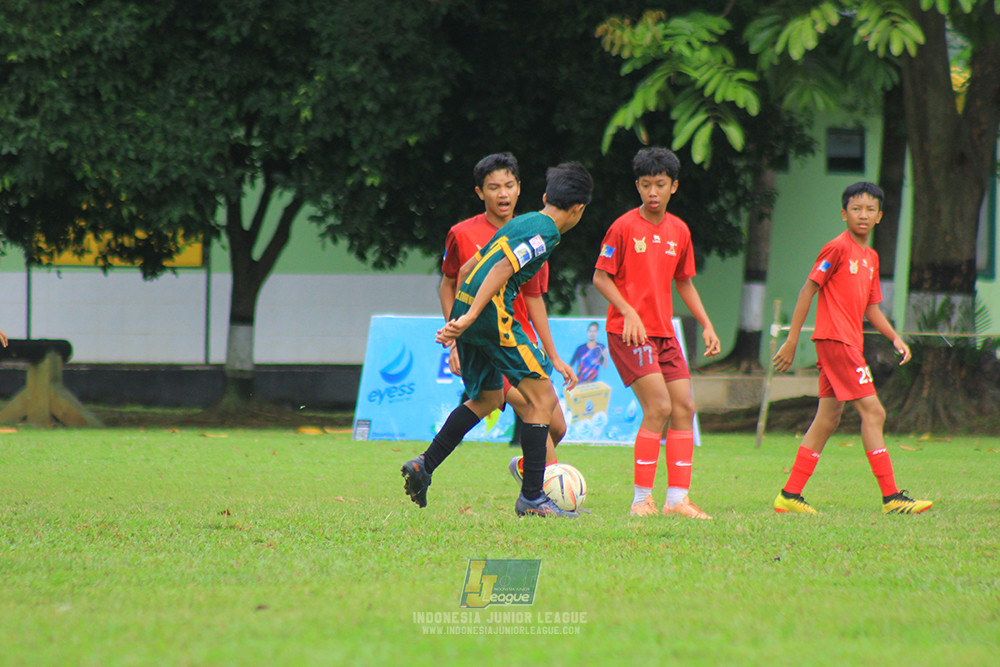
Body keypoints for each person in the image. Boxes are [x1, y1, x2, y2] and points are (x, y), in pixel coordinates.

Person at [401, 162, 593, 518]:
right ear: (579, 209)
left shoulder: (522, 222)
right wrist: (474, 315)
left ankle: (424, 465)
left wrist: (463, 314)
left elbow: (469, 266)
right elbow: (503, 267)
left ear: (545, 196)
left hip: (471, 308)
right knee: (543, 398)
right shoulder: (546, 231)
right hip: (492, 315)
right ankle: (532, 498)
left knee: (487, 397)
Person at [771, 182, 932, 515]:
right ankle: (891, 498)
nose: (863, 215)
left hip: (847, 343)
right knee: (875, 413)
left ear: (880, 216)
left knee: (828, 418)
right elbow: (807, 291)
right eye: (856, 209)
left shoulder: (870, 257)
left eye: (870, 209)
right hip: (836, 342)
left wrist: (894, 337)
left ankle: (789, 496)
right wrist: (791, 339)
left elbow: (871, 308)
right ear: (844, 214)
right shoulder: (837, 249)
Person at [593, 147, 721, 519]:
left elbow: (685, 282)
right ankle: (640, 501)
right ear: (637, 186)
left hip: (664, 334)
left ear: (673, 187)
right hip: (629, 333)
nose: (653, 192)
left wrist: (707, 323)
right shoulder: (622, 227)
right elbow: (601, 276)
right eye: (646, 185)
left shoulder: (679, 230)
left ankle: (677, 500)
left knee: (684, 408)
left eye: (660, 185)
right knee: (660, 407)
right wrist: (628, 311)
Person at [437, 152, 575, 480]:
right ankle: (541, 494)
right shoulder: (461, 233)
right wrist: (455, 338)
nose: (502, 193)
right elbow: (449, 284)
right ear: (479, 192)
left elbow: (535, 299)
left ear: (519, 188)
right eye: (493, 187)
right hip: (488, 335)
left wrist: (553, 356)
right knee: (532, 407)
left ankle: (530, 473)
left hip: (519, 336)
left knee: (557, 426)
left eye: (509, 185)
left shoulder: (532, 229)